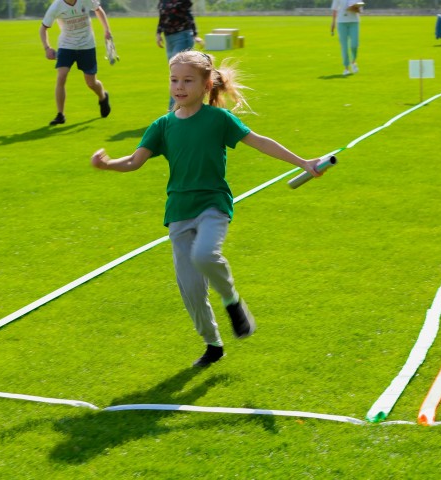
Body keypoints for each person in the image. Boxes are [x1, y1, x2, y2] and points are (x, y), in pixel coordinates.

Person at [90, 51, 326, 367]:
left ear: (206, 85)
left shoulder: (218, 119)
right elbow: (134, 161)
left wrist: (304, 162)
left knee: (204, 255)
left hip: (213, 205)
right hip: (179, 212)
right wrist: (108, 165)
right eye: (174, 80)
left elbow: (259, 142)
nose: (179, 87)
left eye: (188, 80)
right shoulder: (162, 126)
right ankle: (212, 344)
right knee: (190, 288)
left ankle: (232, 301)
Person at [39, 0, 113, 126]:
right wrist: (47, 47)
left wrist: (107, 29)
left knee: (91, 82)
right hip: (66, 45)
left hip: (87, 45)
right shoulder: (56, 6)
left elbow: (98, 10)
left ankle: (103, 96)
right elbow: (43, 28)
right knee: (61, 76)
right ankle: (60, 114)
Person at [155, 0, 204, 109]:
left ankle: (173, 111)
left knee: (178, 75)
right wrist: (158, 33)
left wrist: (195, 34)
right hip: (169, 39)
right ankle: (180, 109)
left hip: (183, 37)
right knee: (175, 74)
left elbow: (188, 15)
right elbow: (162, 16)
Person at [330, 0, 362, 76]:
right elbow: (335, 9)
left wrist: (354, 8)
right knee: (344, 46)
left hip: (354, 22)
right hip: (341, 22)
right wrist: (333, 23)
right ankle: (346, 68)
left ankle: (353, 61)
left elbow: (360, 10)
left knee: (354, 44)